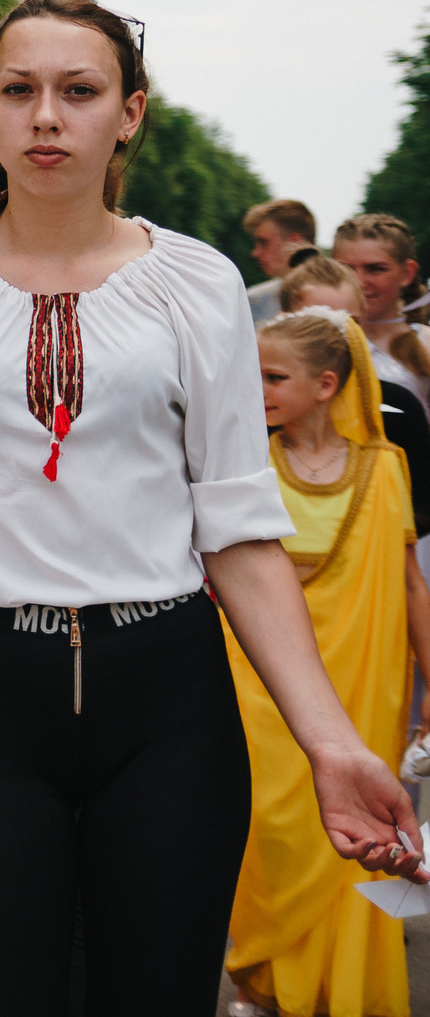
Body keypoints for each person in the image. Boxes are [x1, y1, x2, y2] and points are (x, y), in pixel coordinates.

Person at [0, 0, 424, 1014]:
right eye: (20, 91)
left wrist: (329, 742)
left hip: (163, 698)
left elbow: (238, 529)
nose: (46, 117)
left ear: (129, 112)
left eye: (78, 91)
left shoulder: (197, 283)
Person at [223, 308, 430, 1017]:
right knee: (267, 830)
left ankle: (336, 993)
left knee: (351, 834)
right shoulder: (243, 463)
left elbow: (408, 580)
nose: (259, 389)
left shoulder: (386, 466)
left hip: (362, 685)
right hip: (256, 684)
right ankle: (260, 979)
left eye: (273, 376)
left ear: (327, 384)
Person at [279, 253, 430, 531]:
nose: (336, 338)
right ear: (283, 322)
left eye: (351, 324)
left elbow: (422, 507)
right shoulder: (263, 408)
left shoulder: (399, 403)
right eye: (317, 324)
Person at [331, 213, 430, 402]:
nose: (359, 282)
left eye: (375, 269)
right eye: (347, 269)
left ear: (407, 273)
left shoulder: (426, 343)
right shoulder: (314, 343)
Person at [242, 198, 317, 325]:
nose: (255, 253)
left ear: (295, 242)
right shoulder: (254, 300)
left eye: (264, 243)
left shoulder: (336, 298)